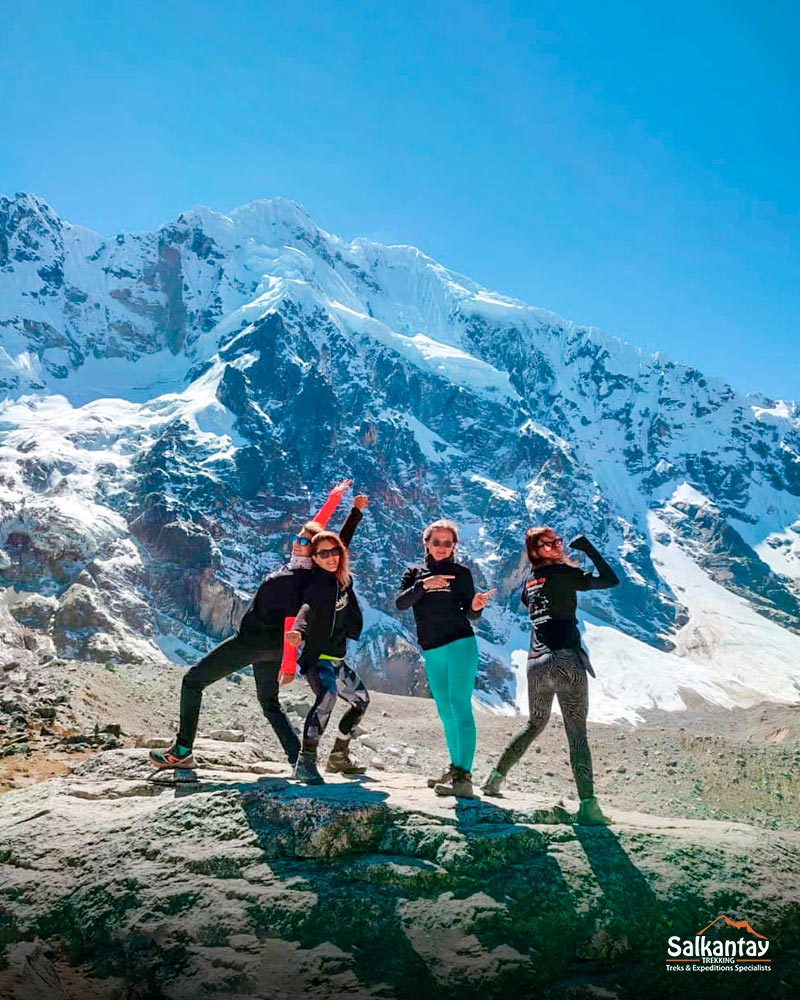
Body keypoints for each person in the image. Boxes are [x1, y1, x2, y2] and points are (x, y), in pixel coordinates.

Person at [149, 481, 366, 770]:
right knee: (270, 704)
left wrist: (290, 665)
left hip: (253, 643)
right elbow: (319, 528)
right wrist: (337, 500)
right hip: (273, 648)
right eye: (297, 537)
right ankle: (298, 760)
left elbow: (302, 609)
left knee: (193, 681)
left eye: (302, 542)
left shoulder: (309, 579)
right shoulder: (300, 566)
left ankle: (182, 750)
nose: (296, 541)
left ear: (313, 554)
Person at [481, 529, 619, 825]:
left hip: (536, 662)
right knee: (576, 733)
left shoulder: (531, 580)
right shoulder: (563, 572)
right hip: (566, 658)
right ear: (535, 550)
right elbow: (609, 580)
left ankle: (494, 779)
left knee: (535, 723)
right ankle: (588, 807)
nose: (557, 546)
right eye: (549, 544)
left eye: (557, 542)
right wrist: (588, 549)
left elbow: (524, 600)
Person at [395, 519, 494, 798]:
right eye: (435, 542)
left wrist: (476, 607)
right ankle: (456, 768)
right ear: (426, 543)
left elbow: (470, 612)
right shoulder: (414, 574)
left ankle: (464, 778)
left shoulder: (461, 573)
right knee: (444, 711)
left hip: (460, 643)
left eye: (447, 543)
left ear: (454, 546)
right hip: (431, 649)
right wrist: (424, 585)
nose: (441, 547)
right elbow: (401, 603)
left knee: (460, 706)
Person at [286, 531, 368, 785]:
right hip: (318, 659)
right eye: (323, 554)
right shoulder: (318, 584)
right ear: (315, 558)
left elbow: (343, 537)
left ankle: (339, 755)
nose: (331, 557)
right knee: (327, 697)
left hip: (336, 660)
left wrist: (356, 512)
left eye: (335, 552)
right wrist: (298, 631)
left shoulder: (343, 580)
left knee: (361, 701)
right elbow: (306, 608)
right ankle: (306, 761)